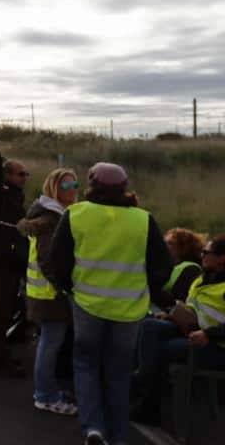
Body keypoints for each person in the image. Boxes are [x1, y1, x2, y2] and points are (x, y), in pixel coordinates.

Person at [47, 162, 171, 445]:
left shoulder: (76, 214)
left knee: (86, 366)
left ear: (92, 185)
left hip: (87, 305)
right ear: (124, 188)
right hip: (129, 311)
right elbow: (162, 266)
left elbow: (58, 260)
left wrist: (70, 289)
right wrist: (147, 291)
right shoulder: (143, 219)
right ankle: (118, 436)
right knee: (118, 372)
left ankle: (93, 427)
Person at [131, 234, 225, 426]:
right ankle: (141, 384)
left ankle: (146, 401)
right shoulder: (202, 280)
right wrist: (174, 314)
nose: (202, 256)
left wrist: (208, 334)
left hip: (216, 346)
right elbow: (194, 309)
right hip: (192, 331)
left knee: (162, 349)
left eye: (207, 252)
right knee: (149, 326)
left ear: (222, 258)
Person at [18, 168, 79, 416]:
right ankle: (45, 395)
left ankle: (49, 389)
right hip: (49, 294)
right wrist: (64, 286)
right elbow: (47, 259)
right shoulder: (50, 219)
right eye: (66, 186)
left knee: (49, 342)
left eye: (75, 183)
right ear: (54, 189)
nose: (73, 188)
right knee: (50, 344)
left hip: (46, 293)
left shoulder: (57, 214)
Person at [0, 133, 29, 377]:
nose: (25, 178)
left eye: (25, 174)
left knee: (6, 308)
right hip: (2, 259)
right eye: (21, 174)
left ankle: (0, 355)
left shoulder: (16, 196)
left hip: (13, 260)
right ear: (9, 175)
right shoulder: (0, 192)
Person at [152, 228, 204, 309]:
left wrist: (153, 291)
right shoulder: (165, 265)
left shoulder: (191, 269)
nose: (163, 246)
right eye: (164, 242)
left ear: (184, 246)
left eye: (170, 243)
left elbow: (180, 299)